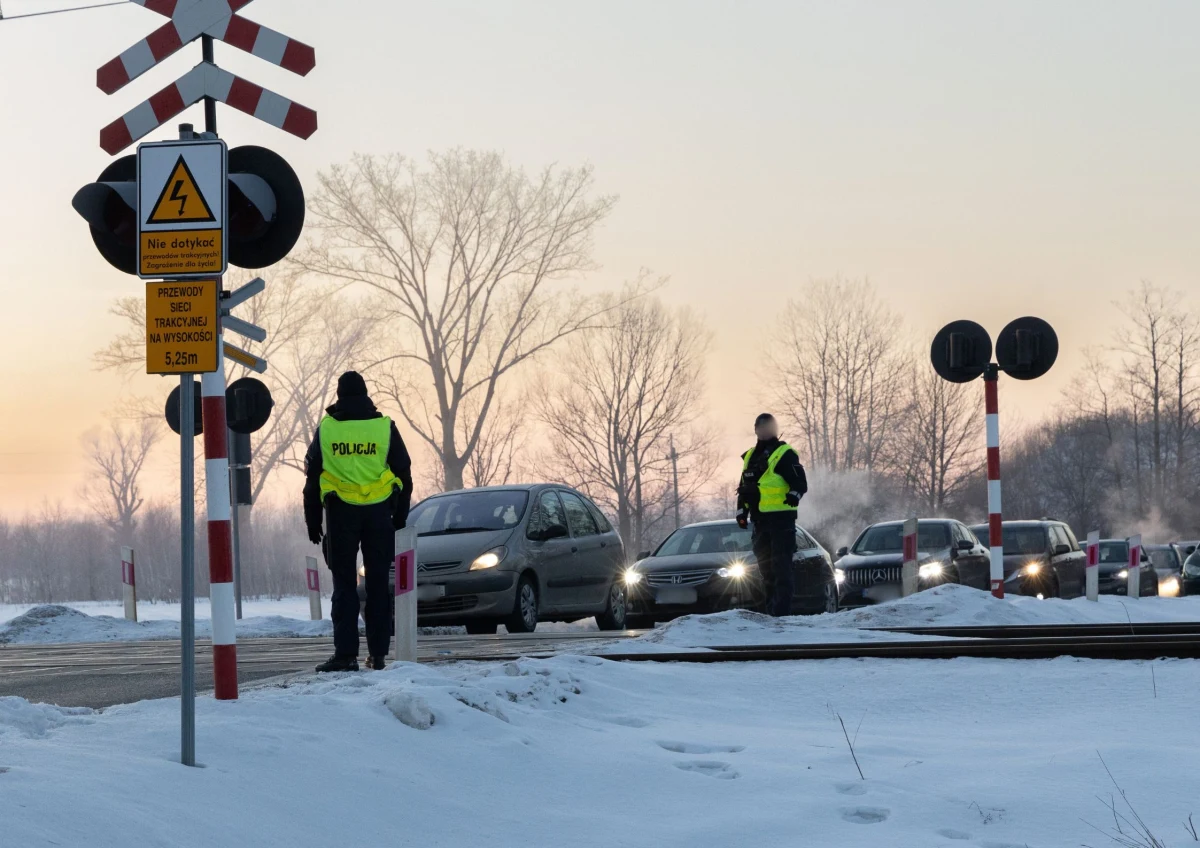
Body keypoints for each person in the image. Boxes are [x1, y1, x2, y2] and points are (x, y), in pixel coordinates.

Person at [303, 371, 413, 672]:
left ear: (339, 396)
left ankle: (346, 655)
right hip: (379, 516)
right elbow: (404, 472)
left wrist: (313, 521)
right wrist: (400, 516)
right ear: (366, 394)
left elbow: (312, 479)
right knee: (378, 586)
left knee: (344, 586)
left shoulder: (327, 430)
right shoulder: (384, 427)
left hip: (340, 515)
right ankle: (378, 655)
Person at [736, 413, 808, 617]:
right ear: (756, 430)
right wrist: (742, 512)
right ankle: (768, 613)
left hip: (781, 520)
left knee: (781, 568)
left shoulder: (784, 453)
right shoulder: (750, 456)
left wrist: (794, 495)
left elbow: (800, 482)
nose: (765, 430)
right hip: (760, 520)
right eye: (762, 427)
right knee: (765, 570)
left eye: (769, 427)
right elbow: (744, 487)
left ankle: (781, 614)